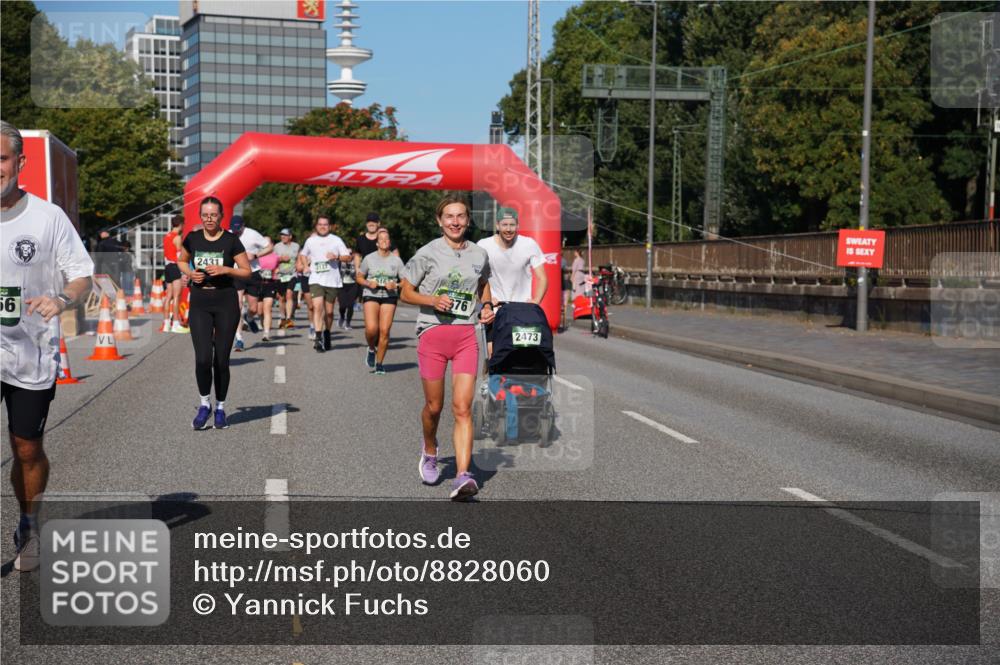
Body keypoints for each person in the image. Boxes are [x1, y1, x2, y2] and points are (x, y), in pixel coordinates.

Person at [1, 121, 94, 571]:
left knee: (26, 449)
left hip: (30, 353)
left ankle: (28, 521)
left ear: (20, 162)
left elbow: (81, 275)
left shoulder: (47, 217)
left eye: (1, 158)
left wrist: (59, 299)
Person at [401, 194, 494, 501]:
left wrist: (487, 304)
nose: (455, 222)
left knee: (463, 408)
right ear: (439, 221)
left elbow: (483, 283)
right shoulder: (427, 253)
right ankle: (430, 450)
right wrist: (432, 300)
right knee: (435, 407)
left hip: (467, 334)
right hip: (433, 334)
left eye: (461, 216)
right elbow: (406, 292)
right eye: (449, 217)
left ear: (468, 220)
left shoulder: (479, 253)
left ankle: (462, 475)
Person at [177, 196, 252, 430]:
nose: (209, 219)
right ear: (201, 216)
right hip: (200, 301)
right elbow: (181, 261)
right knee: (202, 359)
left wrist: (225, 269)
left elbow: (246, 271)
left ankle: (220, 407)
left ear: (221, 216)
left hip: (225, 303)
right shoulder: (193, 238)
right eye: (205, 215)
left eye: (213, 215)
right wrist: (190, 274)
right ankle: (204, 405)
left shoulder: (231, 241)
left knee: (220, 360)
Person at [476, 207, 547, 358]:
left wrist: (536, 301)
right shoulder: (483, 245)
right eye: (504, 225)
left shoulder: (529, 244)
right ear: (497, 226)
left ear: (518, 226)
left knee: (522, 357)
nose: (508, 229)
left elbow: (542, 277)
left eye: (512, 225)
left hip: (522, 311)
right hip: (495, 309)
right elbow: (474, 278)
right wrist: (485, 301)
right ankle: (490, 379)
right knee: (493, 354)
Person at [298, 215, 351, 352]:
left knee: (329, 313)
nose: (322, 226)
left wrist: (337, 257)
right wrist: (305, 265)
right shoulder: (311, 240)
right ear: (316, 226)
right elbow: (303, 254)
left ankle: (327, 333)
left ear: (330, 226)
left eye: (325, 224)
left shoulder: (336, 240)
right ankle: (318, 338)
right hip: (316, 279)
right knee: (317, 307)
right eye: (320, 224)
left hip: (332, 280)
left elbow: (348, 257)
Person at [357, 227, 405, 375]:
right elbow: (359, 277)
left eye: (386, 239)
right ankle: (371, 349)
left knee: (384, 331)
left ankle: (379, 363)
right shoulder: (369, 258)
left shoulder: (396, 261)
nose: (384, 241)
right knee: (372, 329)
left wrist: (395, 285)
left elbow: (404, 281)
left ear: (389, 242)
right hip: (371, 293)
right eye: (381, 239)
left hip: (389, 296)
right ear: (377, 243)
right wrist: (367, 283)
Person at [228, 215, 272, 351]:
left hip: (253, 273)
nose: (236, 232)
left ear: (243, 225)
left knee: (254, 308)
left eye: (238, 229)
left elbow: (270, 247)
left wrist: (256, 255)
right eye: (233, 229)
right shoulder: (227, 235)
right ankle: (239, 339)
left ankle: (250, 318)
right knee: (238, 306)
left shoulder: (252, 234)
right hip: (236, 272)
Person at [162, 216, 189, 333]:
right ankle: (176, 324)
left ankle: (166, 324)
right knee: (177, 296)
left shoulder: (167, 236)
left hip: (167, 266)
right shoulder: (177, 237)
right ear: (180, 224)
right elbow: (179, 256)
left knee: (168, 296)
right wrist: (183, 271)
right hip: (174, 266)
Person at [273, 228, 300, 329]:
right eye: (281, 235)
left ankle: (289, 319)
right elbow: (273, 260)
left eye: (285, 235)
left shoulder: (296, 246)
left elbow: (299, 258)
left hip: (292, 274)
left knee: (289, 294)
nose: (283, 237)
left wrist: (299, 266)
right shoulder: (277, 247)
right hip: (280, 275)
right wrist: (280, 259)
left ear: (290, 236)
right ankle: (283, 317)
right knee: (281, 298)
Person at [257, 249, 280, 342]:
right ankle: (262, 325)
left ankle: (266, 333)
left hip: (270, 284)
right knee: (259, 311)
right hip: (258, 284)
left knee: (268, 308)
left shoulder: (275, 256)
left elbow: (278, 269)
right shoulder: (257, 255)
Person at [338, 249, 358, 330]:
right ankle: (342, 317)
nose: (348, 255)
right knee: (342, 305)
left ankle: (348, 323)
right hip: (342, 285)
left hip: (353, 284)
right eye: (346, 253)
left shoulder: (356, 261)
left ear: (353, 254)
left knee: (350, 305)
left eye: (350, 253)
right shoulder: (339, 262)